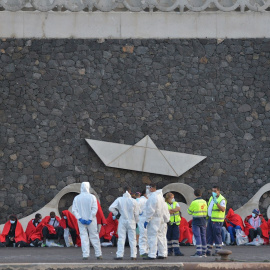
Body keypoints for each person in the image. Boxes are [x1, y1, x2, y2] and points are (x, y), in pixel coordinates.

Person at [72, 182, 102, 260]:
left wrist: (79, 218)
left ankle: (85, 255)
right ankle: (98, 254)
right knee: (94, 237)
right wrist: (90, 218)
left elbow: (74, 210)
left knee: (83, 237)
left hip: (81, 221)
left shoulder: (77, 198)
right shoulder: (92, 197)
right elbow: (94, 209)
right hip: (91, 221)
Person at [109, 187, 139, 260]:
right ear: (130, 191)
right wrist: (136, 221)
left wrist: (116, 214)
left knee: (121, 238)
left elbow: (111, 208)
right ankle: (133, 255)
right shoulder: (134, 201)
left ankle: (120, 255)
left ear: (123, 191)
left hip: (122, 220)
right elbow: (137, 213)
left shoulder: (119, 199)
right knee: (132, 239)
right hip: (131, 221)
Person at [143, 184, 170, 260]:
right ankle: (163, 253)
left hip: (154, 219)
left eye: (148, 188)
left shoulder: (152, 197)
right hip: (161, 220)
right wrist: (167, 219)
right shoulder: (161, 197)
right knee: (161, 236)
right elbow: (165, 209)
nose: (147, 190)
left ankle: (152, 254)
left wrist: (147, 220)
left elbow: (150, 210)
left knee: (152, 237)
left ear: (151, 188)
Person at [206, 186, 226, 256]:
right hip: (210, 219)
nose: (213, 192)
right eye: (212, 191)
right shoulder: (212, 198)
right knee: (209, 235)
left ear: (218, 191)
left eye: (215, 191)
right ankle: (208, 251)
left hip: (217, 220)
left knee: (217, 235)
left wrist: (217, 203)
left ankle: (219, 251)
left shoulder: (222, 199)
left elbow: (223, 209)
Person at [187, 189, 207, 257]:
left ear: (194, 194)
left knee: (197, 236)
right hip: (203, 221)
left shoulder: (194, 202)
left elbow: (189, 212)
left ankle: (199, 253)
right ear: (201, 194)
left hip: (196, 221)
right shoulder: (204, 202)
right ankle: (204, 252)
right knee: (203, 236)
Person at [165, 192, 184, 257]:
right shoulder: (165, 204)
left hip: (176, 223)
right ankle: (169, 251)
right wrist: (174, 210)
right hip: (169, 223)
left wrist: (171, 210)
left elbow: (178, 209)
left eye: (173, 197)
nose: (173, 199)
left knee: (175, 238)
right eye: (172, 198)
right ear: (168, 198)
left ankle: (177, 251)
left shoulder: (176, 203)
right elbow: (168, 212)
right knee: (169, 238)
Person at [137, 190, 148, 257]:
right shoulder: (141, 200)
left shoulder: (148, 200)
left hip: (147, 220)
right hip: (142, 220)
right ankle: (143, 251)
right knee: (143, 235)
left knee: (147, 236)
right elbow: (136, 206)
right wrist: (140, 212)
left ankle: (146, 251)